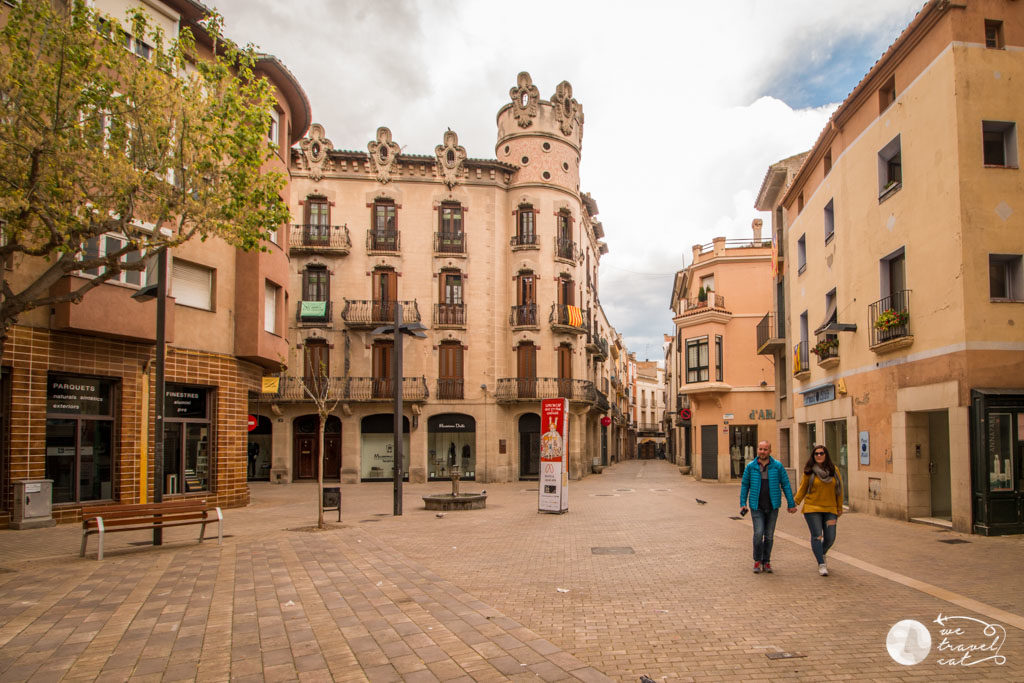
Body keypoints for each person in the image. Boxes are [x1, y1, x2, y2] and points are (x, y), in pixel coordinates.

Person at [740, 440, 797, 574]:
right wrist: (743, 503)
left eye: (765, 449)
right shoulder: (751, 467)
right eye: (760, 449)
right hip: (756, 506)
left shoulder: (777, 466)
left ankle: (767, 561)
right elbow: (744, 485)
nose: (762, 451)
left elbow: (786, 484)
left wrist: (791, 503)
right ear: (757, 450)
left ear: (770, 451)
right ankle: (757, 560)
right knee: (758, 533)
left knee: (769, 536)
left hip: (772, 506)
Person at [794, 444, 844, 576]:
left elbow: (839, 490)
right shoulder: (809, 471)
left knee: (830, 537)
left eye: (822, 453)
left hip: (830, 510)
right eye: (816, 454)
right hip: (812, 509)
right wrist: (795, 502)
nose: (819, 456)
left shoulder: (834, 470)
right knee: (817, 536)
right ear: (813, 456)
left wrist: (839, 507)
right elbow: (803, 488)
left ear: (826, 455)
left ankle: (821, 553)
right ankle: (821, 564)